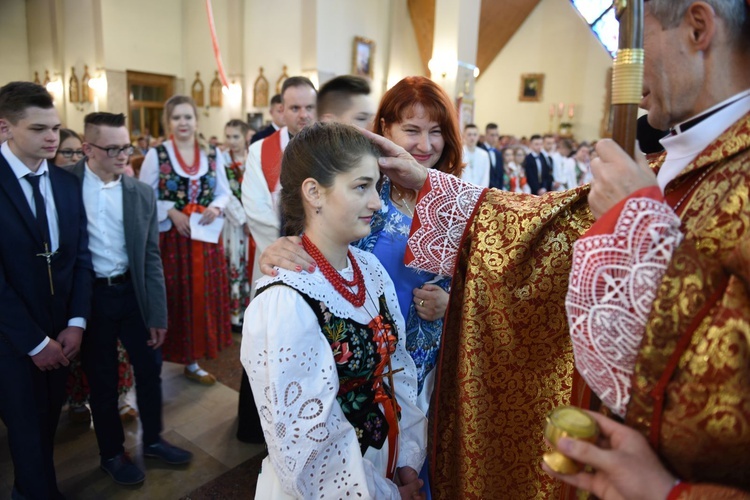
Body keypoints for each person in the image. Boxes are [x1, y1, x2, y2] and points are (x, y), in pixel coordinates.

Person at [543, 0, 750, 497]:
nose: (622, 67)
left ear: (698, 28)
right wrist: (445, 198)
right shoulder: (677, 156)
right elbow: (556, 223)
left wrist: (667, 493)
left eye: (632, 35)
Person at [258, 75, 464, 498]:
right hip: (348, 363)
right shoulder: (359, 196)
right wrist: (282, 251)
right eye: (412, 129)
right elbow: (307, 435)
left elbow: (481, 266)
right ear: (384, 130)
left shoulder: (452, 199)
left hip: (415, 358)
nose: (426, 144)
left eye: (436, 131)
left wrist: (454, 300)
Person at [241, 121, 426, 499]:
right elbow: (306, 445)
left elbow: (398, 369)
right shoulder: (285, 301)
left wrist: (407, 455)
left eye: (376, 186)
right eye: (361, 186)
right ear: (314, 193)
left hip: (383, 463)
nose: (376, 202)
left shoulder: (368, 269)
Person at [66, 112, 192, 486]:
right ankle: (111, 453)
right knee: (102, 382)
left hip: (133, 295)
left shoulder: (140, 192)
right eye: (113, 148)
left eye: (127, 146)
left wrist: (158, 313)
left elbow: (151, 257)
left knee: (150, 374)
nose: (124, 155)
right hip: (93, 299)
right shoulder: (66, 186)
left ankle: (153, 440)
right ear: (88, 149)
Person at [0, 81, 93, 499]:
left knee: (45, 425)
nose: (52, 137)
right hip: (12, 336)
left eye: (55, 127)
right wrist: (35, 343)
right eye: (39, 129)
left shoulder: (67, 183)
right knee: (24, 429)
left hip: (62, 332)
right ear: (6, 128)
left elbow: (81, 258)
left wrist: (75, 323)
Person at [237, 76, 317, 443]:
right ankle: (259, 425)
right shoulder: (261, 150)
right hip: (277, 258)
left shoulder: (323, 147)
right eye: (295, 107)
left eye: (309, 107)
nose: (302, 115)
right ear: (281, 110)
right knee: (272, 337)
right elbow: (254, 208)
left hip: (319, 261)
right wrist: (286, 250)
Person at [139, 94, 232, 385]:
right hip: (173, 243)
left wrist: (216, 207)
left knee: (200, 299)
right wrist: (171, 211)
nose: (183, 122)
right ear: (168, 121)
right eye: (177, 117)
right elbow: (143, 195)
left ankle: (193, 360)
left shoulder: (212, 153)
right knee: (174, 298)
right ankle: (155, 362)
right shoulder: (158, 154)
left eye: (188, 117)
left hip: (204, 241)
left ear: (196, 120)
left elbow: (224, 191)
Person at [222, 119, 253, 331]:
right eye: (228, 136)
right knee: (234, 259)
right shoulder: (222, 160)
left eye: (236, 136)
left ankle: (249, 310)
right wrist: (242, 219)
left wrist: (252, 218)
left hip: (253, 221)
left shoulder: (252, 158)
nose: (231, 141)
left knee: (251, 263)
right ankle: (233, 315)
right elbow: (224, 192)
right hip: (232, 222)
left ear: (245, 137)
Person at [460, 123, 490, 187]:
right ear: (464, 136)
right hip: (463, 190)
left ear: (478, 136)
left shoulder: (484, 154)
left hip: (480, 191)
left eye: (475, 135)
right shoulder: (459, 153)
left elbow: (486, 176)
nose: (472, 137)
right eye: (469, 135)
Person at [478, 122, 503, 189]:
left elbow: (500, 174)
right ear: (486, 135)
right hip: (485, 189)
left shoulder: (498, 153)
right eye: (492, 135)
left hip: (497, 191)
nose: (495, 138)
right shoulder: (480, 151)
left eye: (496, 135)